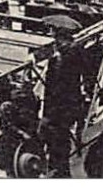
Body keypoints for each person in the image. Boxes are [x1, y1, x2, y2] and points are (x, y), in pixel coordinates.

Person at [40, 16, 98, 177]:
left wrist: (87, 92)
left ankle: (58, 169)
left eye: (56, 35)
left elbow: (86, 74)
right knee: (57, 134)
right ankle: (57, 167)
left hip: (65, 101)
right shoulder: (66, 52)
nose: (54, 39)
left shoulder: (71, 52)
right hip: (61, 100)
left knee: (58, 134)